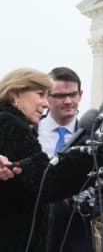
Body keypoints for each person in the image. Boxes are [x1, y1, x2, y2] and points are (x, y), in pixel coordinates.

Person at [0, 68, 93, 252]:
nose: (45, 104)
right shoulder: (10, 124)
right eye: (40, 94)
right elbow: (45, 182)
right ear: (15, 93)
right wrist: (88, 157)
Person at [36, 66, 93, 252]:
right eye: (60, 96)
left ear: (81, 94)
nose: (68, 101)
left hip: (76, 234)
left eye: (73, 94)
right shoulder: (28, 131)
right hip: (32, 232)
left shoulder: (93, 139)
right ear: (46, 97)